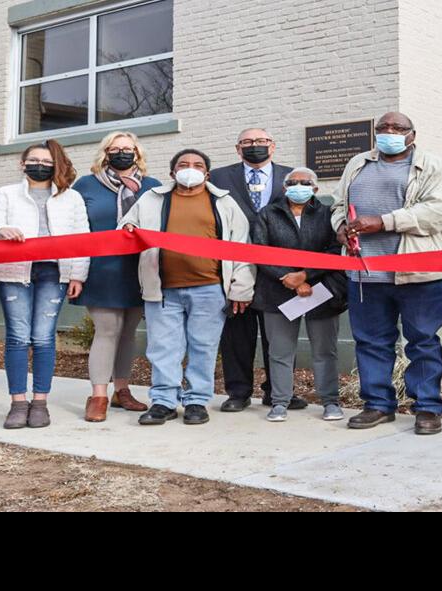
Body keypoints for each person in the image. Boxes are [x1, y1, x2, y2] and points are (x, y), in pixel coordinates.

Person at [331, 112, 442, 436]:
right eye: (383, 128)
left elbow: (437, 213)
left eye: (397, 128)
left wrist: (384, 221)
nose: (389, 132)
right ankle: (377, 405)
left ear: (412, 134)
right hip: (366, 272)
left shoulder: (433, 166)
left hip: (419, 273)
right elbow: (337, 207)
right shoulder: (358, 164)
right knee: (371, 342)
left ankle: (427, 408)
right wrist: (341, 228)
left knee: (423, 341)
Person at [122, 149, 255, 427]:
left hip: (209, 287)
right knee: (163, 347)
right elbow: (127, 227)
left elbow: (241, 246)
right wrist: (130, 228)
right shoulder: (152, 198)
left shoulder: (224, 202)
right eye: (183, 164)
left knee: (203, 347)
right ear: (172, 173)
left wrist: (240, 287)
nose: (190, 168)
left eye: (197, 165)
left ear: (207, 173)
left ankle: (196, 401)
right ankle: (164, 402)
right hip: (163, 289)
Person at [0, 140, 90, 430]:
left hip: (54, 272)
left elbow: (82, 238)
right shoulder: (5, 194)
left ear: (55, 165)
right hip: (13, 271)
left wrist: (78, 274)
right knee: (18, 337)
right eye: (34, 160)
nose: (40, 166)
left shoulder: (72, 198)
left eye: (46, 162)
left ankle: (40, 402)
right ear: (23, 163)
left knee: (43, 337)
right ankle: (18, 403)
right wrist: (0, 230)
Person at [210, 128, 305, 412]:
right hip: (235, 265)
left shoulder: (292, 177)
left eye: (261, 141)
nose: (255, 146)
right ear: (238, 149)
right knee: (237, 332)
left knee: (279, 334)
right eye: (248, 142)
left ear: (273, 147)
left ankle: (277, 390)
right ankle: (238, 392)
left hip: (279, 269)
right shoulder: (218, 177)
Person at [72, 131, 162, 422]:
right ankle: (98, 395)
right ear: (105, 152)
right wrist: (75, 271)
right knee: (107, 329)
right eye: (115, 148)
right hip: (101, 269)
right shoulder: (85, 185)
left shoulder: (152, 186)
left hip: (139, 270)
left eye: (128, 148)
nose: (122, 153)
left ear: (137, 153)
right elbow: (75, 229)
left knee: (128, 332)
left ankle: (122, 390)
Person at [251, 168, 348, 423]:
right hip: (277, 292)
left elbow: (334, 249)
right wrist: (289, 279)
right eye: (292, 182)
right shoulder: (268, 214)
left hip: (321, 290)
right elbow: (260, 251)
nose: (298, 186)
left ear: (315, 189)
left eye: (305, 182)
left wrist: (305, 276)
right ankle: (280, 402)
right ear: (284, 188)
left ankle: (330, 401)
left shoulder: (327, 214)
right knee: (280, 351)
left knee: (325, 350)